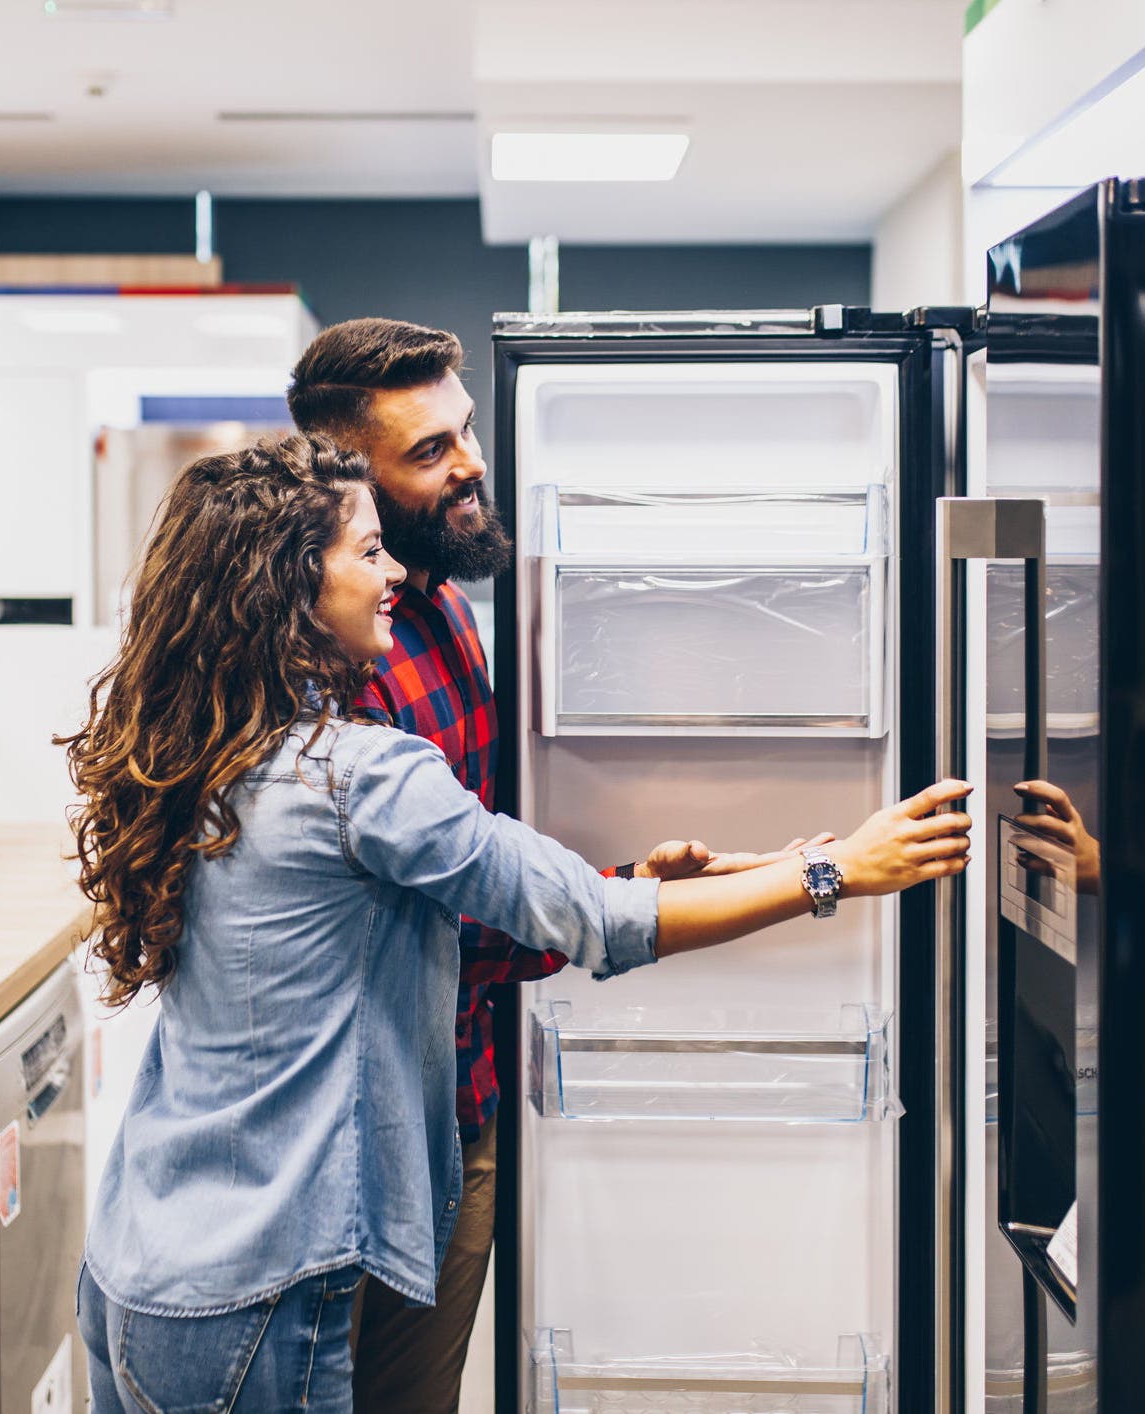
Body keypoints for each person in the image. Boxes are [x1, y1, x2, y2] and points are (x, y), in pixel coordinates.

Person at [64, 433, 971, 1412]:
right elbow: (600, 920)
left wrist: (754, 865)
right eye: (368, 552)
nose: (398, 574)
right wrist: (837, 873)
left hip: (137, 1274)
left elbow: (514, 894)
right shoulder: (360, 774)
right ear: (289, 584)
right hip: (262, 1295)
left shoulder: (201, 743)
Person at [287, 316, 824, 1406]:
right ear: (344, 481)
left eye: (467, 430)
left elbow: (477, 855)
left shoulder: (436, 603)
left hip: (463, 1089)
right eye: (429, 451)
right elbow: (450, 911)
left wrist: (625, 879)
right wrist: (793, 879)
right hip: (362, 1131)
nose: (472, 464)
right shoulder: (336, 669)